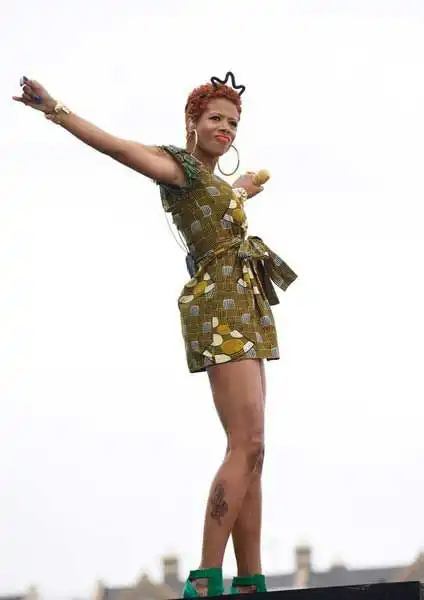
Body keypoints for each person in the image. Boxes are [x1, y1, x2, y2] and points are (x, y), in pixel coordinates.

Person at [13, 72, 297, 597]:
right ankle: (206, 576)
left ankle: (250, 580)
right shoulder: (179, 167)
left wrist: (240, 191)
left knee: (256, 449)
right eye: (216, 119)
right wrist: (56, 109)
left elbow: (215, 205)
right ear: (192, 122)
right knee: (245, 443)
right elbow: (117, 147)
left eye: (234, 123)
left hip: (247, 304)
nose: (226, 129)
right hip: (220, 307)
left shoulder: (209, 181)